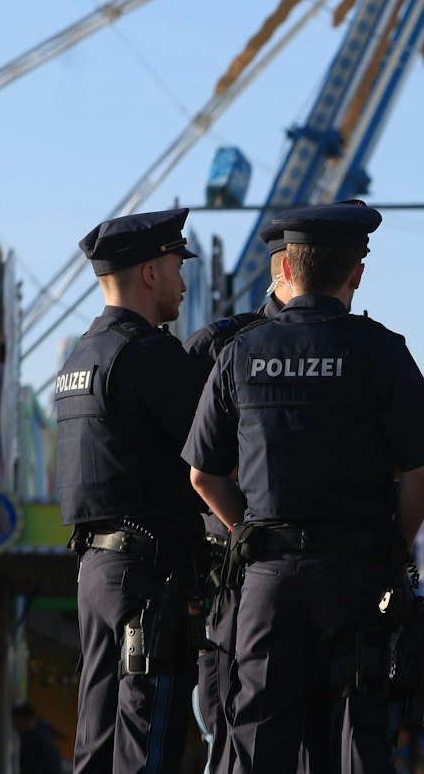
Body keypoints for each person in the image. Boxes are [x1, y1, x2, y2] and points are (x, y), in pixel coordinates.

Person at [184, 203, 424, 773]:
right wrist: (394, 546)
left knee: (258, 743)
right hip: (357, 579)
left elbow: (203, 474)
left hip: (266, 581)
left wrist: (247, 531)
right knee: (357, 743)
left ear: (285, 269)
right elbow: (423, 473)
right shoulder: (381, 351)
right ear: (356, 271)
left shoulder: (238, 352)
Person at [53, 208, 212, 774]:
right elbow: (215, 456)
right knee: (148, 744)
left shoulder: (80, 357)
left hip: (96, 571)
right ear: (150, 274)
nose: (183, 282)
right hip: (151, 580)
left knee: (96, 743)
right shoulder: (149, 354)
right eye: (175, 266)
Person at [183, 221, 289, 774]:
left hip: (270, 557)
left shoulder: (357, 343)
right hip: (233, 561)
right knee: (231, 716)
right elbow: (191, 464)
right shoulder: (222, 345)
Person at [14, 703, 66, 774]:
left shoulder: (31, 742)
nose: (14, 725)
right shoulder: (44, 739)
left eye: (16, 720)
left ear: (22, 719)